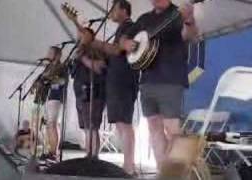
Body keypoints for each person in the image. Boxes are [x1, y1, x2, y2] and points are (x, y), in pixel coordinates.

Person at [119, 0, 199, 170]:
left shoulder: (177, 14)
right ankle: (162, 171)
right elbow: (124, 37)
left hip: (170, 78)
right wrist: (126, 43)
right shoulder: (144, 19)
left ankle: (178, 174)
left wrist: (189, 20)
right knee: (154, 127)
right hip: (147, 80)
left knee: (172, 129)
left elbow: (191, 36)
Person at [87, 0, 139, 175]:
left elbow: (118, 50)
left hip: (124, 81)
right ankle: (127, 164)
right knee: (120, 124)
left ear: (124, 10)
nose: (110, 12)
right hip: (116, 81)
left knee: (124, 123)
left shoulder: (130, 26)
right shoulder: (120, 29)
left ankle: (129, 167)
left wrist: (95, 43)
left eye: (114, 9)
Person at [73, 27, 107, 158]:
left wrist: (83, 58)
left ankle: (93, 156)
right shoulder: (78, 51)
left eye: (82, 35)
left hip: (94, 91)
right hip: (80, 93)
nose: (79, 38)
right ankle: (88, 154)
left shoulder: (96, 49)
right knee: (86, 127)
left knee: (93, 127)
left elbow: (101, 67)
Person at [41, 46, 66, 162]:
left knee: (52, 124)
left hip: (56, 97)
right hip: (48, 97)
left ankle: (54, 152)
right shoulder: (48, 67)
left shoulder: (61, 67)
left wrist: (51, 79)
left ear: (57, 55)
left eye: (50, 52)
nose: (48, 54)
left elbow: (63, 81)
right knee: (48, 125)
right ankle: (50, 150)